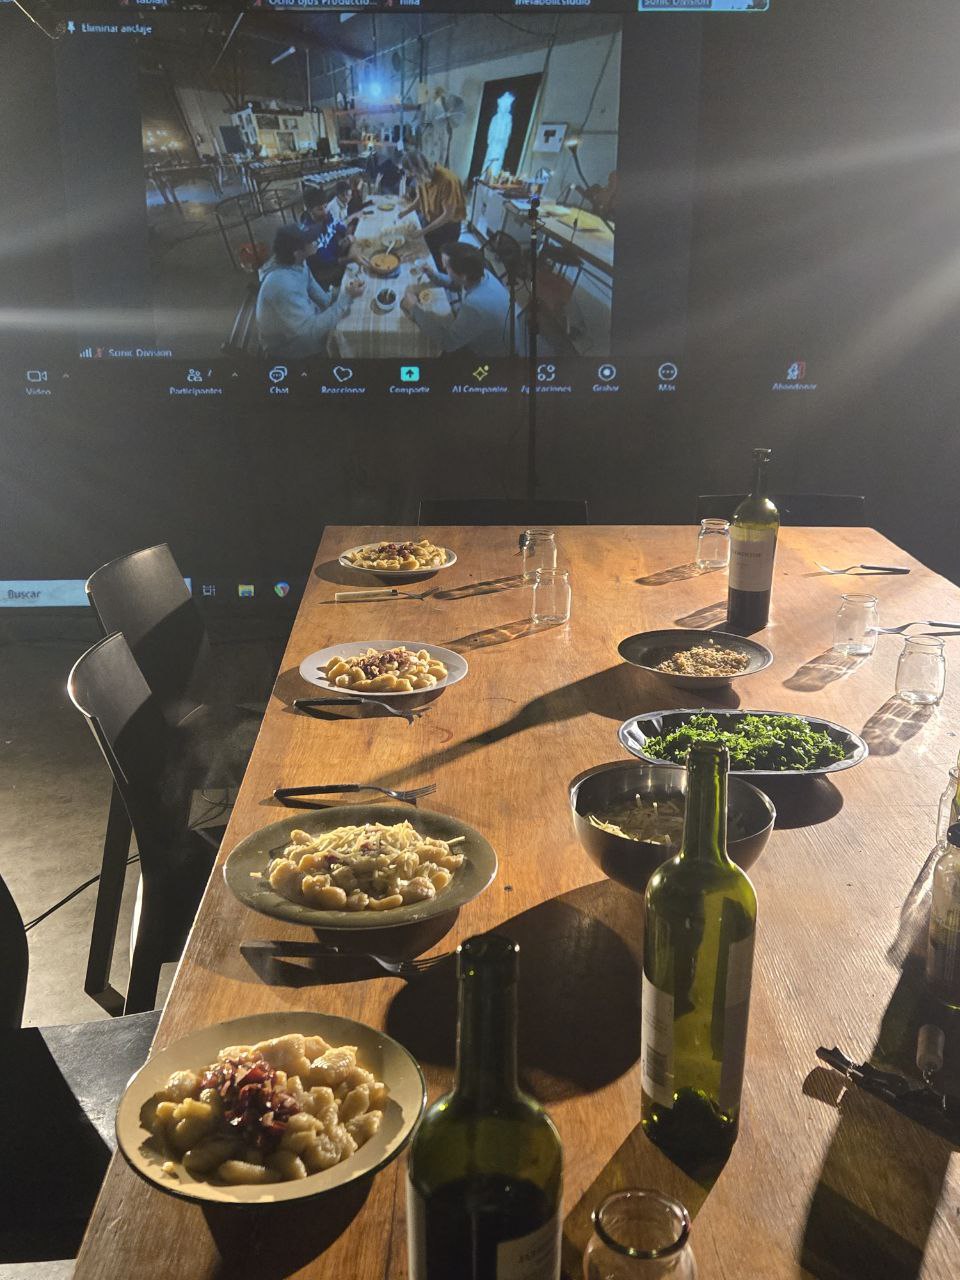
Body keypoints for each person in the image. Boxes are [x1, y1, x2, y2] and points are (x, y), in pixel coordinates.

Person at [256, 224, 363, 359]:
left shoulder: (297, 262)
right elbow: (310, 333)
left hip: (303, 322)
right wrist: (346, 297)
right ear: (297, 253)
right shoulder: (282, 285)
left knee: (354, 308)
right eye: (311, 242)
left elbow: (323, 298)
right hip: (289, 348)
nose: (316, 243)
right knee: (353, 337)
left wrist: (344, 291)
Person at [400, 241, 513, 358]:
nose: (443, 267)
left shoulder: (475, 305)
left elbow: (448, 342)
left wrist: (414, 308)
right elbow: (456, 284)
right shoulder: (480, 273)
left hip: (491, 353)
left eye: (447, 267)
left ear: (463, 276)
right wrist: (432, 274)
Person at [400, 148, 466, 270]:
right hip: (430, 220)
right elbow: (420, 199)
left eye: (413, 174)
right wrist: (404, 212)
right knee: (426, 255)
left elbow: (447, 215)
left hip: (447, 228)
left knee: (441, 263)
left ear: (419, 169)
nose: (414, 178)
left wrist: (423, 231)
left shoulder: (447, 180)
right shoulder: (422, 176)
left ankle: (442, 279)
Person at [299, 189, 356, 287]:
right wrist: (351, 258)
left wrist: (347, 236)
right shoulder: (309, 233)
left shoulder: (327, 216)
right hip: (325, 270)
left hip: (336, 255)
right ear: (309, 210)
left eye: (325, 206)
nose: (325, 211)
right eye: (320, 209)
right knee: (355, 274)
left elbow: (341, 228)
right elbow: (327, 262)